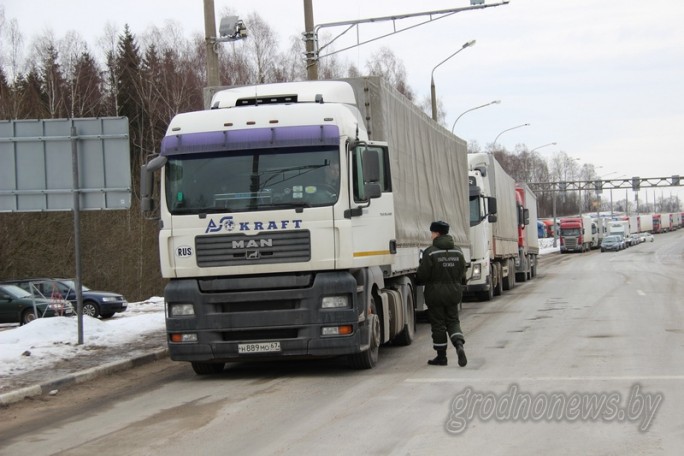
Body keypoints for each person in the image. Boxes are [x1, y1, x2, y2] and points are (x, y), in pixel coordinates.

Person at [416, 220, 467, 367]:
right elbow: (462, 272)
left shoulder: (431, 252)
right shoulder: (458, 251)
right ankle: (458, 344)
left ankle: (441, 357)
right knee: (453, 321)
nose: (431, 235)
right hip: (453, 293)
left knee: (438, 324)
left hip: (435, 295)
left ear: (437, 233)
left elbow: (423, 274)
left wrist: (418, 280)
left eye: (432, 232)